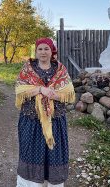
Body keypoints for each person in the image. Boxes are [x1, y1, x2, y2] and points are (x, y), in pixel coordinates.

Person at [15, 37, 76, 187]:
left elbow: (69, 91)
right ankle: (29, 184)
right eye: (40, 49)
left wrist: (56, 95)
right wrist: (41, 89)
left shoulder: (60, 70)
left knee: (54, 154)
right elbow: (20, 89)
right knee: (30, 153)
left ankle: (53, 184)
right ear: (35, 51)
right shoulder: (28, 69)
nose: (43, 52)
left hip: (55, 120)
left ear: (52, 51)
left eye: (46, 49)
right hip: (31, 120)